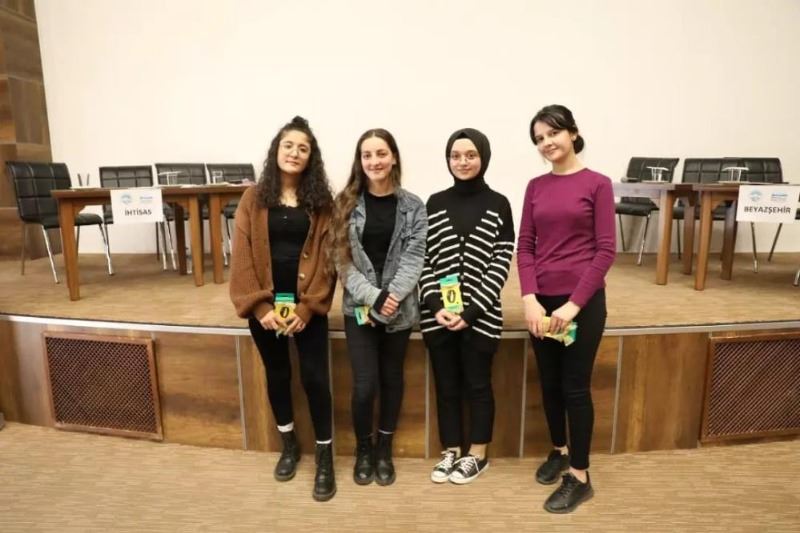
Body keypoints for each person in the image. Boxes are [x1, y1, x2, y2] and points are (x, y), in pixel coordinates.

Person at [229, 116, 337, 502]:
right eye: (288, 145)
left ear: (311, 158)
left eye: (303, 148)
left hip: (306, 308)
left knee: (315, 379)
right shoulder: (253, 198)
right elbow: (241, 257)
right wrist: (260, 307)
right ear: (276, 150)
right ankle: (289, 445)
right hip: (267, 308)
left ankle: (324, 456)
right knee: (277, 375)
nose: (294, 153)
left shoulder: (322, 204)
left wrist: (308, 309)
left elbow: (328, 260)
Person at [517, 104, 616, 513]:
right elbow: (525, 247)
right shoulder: (535, 187)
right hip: (542, 304)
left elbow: (606, 250)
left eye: (553, 133)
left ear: (573, 133)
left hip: (582, 304)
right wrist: (529, 298)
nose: (546, 143)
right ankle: (559, 450)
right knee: (550, 384)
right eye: (539, 138)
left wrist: (574, 305)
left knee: (575, 387)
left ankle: (580, 475)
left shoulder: (598, 184)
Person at [330, 128, 427, 486]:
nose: (375, 161)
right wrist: (374, 298)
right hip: (359, 307)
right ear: (360, 161)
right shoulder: (344, 204)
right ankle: (364, 449)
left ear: (394, 157)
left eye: (381, 153)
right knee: (364, 385)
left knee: (392, 379)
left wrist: (392, 298)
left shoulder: (414, 206)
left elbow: (414, 258)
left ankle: (384, 449)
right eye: (367, 155)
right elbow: (341, 261)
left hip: (400, 310)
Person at [418, 128, 515, 485]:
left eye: (470, 155)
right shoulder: (434, 203)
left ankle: (477, 454)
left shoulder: (499, 204)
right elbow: (423, 259)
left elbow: (501, 262)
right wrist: (435, 305)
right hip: (438, 316)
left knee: (478, 385)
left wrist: (471, 312)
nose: (462, 162)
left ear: (483, 157)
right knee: (446, 387)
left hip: (481, 316)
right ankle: (451, 450)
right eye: (455, 155)